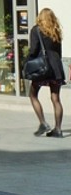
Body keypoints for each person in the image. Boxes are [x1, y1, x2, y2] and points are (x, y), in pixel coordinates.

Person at [28, 7, 65, 137]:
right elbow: (59, 52)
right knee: (56, 98)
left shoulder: (36, 30)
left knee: (33, 95)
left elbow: (33, 50)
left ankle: (43, 123)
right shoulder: (56, 31)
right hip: (56, 67)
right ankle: (58, 129)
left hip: (42, 67)